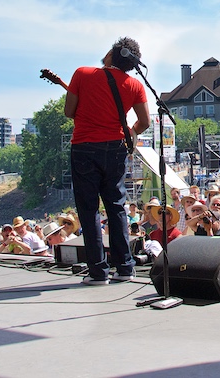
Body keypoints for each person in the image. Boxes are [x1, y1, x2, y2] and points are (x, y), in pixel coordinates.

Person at [64, 37, 151, 285]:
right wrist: (130, 132)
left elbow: (69, 111)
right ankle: (125, 267)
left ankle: (98, 272)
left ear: (112, 54)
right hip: (115, 148)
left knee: (89, 209)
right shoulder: (134, 85)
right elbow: (144, 122)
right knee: (116, 205)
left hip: (84, 147)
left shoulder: (82, 73)